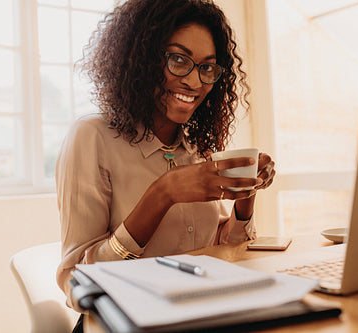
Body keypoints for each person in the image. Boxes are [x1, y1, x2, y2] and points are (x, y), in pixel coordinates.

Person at [55, 0, 276, 330]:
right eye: (178, 59)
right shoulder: (92, 137)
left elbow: (223, 252)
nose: (195, 82)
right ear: (141, 59)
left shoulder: (198, 148)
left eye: (207, 67)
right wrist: (162, 194)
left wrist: (246, 195)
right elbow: (75, 281)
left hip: (197, 314)